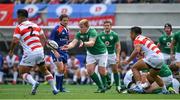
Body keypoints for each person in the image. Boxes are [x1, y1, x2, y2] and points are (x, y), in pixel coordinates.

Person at [9, 9, 58, 95]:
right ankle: (54, 89)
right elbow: (44, 38)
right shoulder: (36, 25)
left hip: (30, 52)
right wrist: (41, 49)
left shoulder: (19, 27)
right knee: (45, 70)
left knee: (22, 72)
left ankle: (34, 83)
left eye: (17, 17)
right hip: (40, 51)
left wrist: (11, 50)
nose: (17, 19)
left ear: (20, 17)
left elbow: (15, 41)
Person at [62, 19, 108, 93]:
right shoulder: (79, 34)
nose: (80, 29)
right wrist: (68, 46)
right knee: (89, 71)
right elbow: (73, 43)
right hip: (91, 54)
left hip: (101, 53)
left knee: (101, 72)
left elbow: (92, 43)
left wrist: (84, 43)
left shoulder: (92, 31)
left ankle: (106, 84)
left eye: (81, 27)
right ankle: (101, 87)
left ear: (87, 26)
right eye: (79, 27)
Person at [122, 26, 167, 93]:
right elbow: (149, 47)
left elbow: (136, 50)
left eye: (131, 33)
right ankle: (165, 90)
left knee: (134, 68)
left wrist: (128, 61)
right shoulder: (146, 38)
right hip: (160, 57)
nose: (130, 35)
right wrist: (143, 53)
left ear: (134, 33)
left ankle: (139, 87)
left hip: (153, 57)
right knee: (153, 75)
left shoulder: (137, 39)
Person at [98, 20, 122, 93]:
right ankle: (104, 86)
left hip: (111, 54)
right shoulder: (100, 35)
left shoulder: (115, 35)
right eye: (105, 25)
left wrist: (117, 56)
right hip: (103, 54)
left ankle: (118, 86)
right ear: (103, 26)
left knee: (115, 70)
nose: (106, 27)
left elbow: (118, 46)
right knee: (101, 71)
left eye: (108, 25)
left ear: (110, 26)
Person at [49, 14, 69, 92]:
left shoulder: (66, 29)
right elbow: (50, 42)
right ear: (60, 20)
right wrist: (55, 51)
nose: (66, 22)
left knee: (63, 70)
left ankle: (60, 88)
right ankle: (56, 88)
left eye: (67, 20)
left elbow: (65, 41)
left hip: (64, 52)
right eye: (64, 20)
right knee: (60, 69)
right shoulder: (56, 29)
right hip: (56, 51)